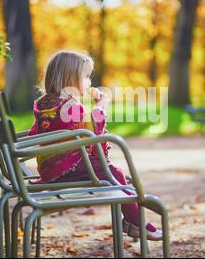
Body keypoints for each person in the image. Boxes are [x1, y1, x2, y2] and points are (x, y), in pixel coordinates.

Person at [27, 50, 162, 241]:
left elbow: (47, 132)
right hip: (66, 168)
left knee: (114, 174)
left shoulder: (45, 103)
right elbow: (92, 133)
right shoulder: (70, 105)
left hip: (51, 167)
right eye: (86, 76)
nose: (89, 81)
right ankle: (137, 223)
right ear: (70, 78)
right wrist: (102, 104)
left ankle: (134, 222)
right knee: (115, 173)